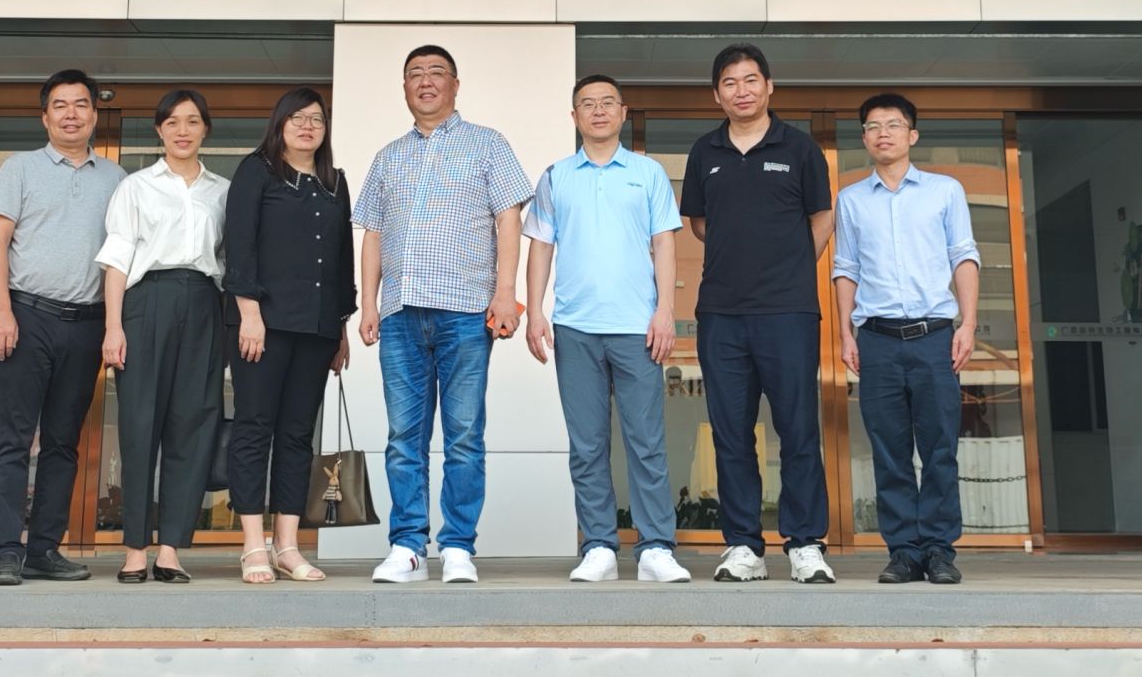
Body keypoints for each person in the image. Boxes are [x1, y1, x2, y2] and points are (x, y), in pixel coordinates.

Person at [354, 45, 534, 585]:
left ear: (456, 85)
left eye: (436, 73)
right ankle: (408, 546)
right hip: (400, 314)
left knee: (464, 436)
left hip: (466, 313)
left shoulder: (488, 144)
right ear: (404, 88)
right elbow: (373, 233)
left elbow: (508, 218)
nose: (426, 81)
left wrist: (506, 293)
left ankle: (458, 546)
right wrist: (370, 303)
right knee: (402, 438)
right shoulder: (388, 156)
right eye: (415, 74)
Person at [523, 75, 693, 585]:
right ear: (574, 116)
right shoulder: (556, 176)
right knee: (587, 444)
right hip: (575, 327)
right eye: (587, 104)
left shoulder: (648, 173)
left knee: (647, 441)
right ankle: (598, 545)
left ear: (623, 112)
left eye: (607, 103)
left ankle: (656, 547)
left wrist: (665, 310)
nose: (597, 111)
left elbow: (665, 244)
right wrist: (535, 311)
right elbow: (541, 246)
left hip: (637, 327)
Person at [680, 43, 836, 585]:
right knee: (730, 433)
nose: (741, 91)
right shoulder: (704, 152)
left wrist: (788, 266)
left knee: (797, 429)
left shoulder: (799, 148)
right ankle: (744, 544)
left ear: (769, 86)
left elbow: (822, 217)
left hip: (789, 312)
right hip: (722, 312)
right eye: (730, 82)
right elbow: (701, 223)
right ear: (716, 94)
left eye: (750, 80)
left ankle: (805, 543)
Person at [0, 69, 128, 586]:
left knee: (64, 442)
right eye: (60, 105)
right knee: (13, 438)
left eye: (80, 104)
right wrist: (0, 312)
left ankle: (44, 549)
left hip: (86, 323)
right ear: (45, 117)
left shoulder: (116, 179)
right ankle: (5, 551)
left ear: (94, 114)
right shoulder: (18, 169)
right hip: (27, 316)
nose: (71, 114)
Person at [833, 92, 980, 587]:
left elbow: (964, 256)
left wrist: (968, 323)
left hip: (934, 336)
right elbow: (846, 268)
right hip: (876, 339)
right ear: (864, 138)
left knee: (939, 447)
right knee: (889, 449)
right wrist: (845, 332)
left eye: (893, 125)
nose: (883, 134)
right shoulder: (851, 199)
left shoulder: (945, 191)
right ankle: (903, 551)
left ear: (912, 134)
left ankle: (938, 550)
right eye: (873, 127)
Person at [96, 89, 230, 583]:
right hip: (146, 302)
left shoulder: (223, 191)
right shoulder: (135, 186)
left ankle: (171, 548)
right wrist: (113, 326)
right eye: (172, 122)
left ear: (205, 129)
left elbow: (230, 260)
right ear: (159, 130)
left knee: (192, 425)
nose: (182, 130)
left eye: (192, 121)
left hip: (205, 303)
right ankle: (135, 547)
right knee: (139, 424)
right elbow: (116, 258)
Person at [223, 86, 354, 584]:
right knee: (255, 427)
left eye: (316, 119)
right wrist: (249, 312)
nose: (307, 126)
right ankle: (252, 545)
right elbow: (240, 244)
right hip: (263, 323)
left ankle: (288, 546)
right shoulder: (257, 171)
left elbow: (341, 260)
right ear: (279, 124)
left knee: (298, 435)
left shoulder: (335, 182)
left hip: (317, 328)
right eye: (297, 118)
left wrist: (340, 327)